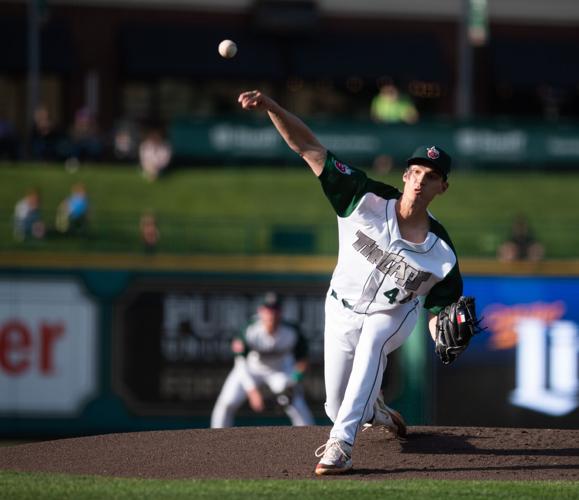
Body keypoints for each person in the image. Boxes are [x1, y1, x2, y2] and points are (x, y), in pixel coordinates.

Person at [237, 90, 463, 475]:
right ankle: (374, 410)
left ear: (442, 187)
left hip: (394, 314)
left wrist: (439, 329)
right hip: (340, 308)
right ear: (405, 176)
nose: (421, 181)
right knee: (334, 404)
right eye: (417, 173)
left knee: (374, 339)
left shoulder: (442, 252)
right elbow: (309, 148)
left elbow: (439, 306)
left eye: (432, 177)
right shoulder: (363, 198)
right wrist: (274, 107)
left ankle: (341, 447)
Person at [211, 292, 314, 428]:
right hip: (250, 370)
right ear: (260, 312)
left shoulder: (291, 331)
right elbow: (240, 363)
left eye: (275, 310)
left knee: (296, 404)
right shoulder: (250, 329)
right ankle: (214, 439)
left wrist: (293, 381)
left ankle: (310, 439)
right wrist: (252, 391)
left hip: (279, 371)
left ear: (281, 312)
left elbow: (303, 361)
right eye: (267, 310)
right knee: (226, 403)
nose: (271, 314)